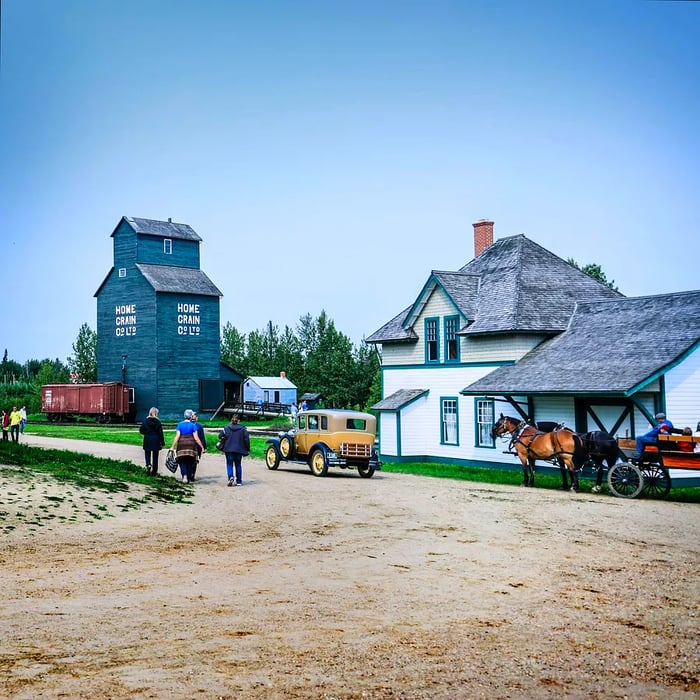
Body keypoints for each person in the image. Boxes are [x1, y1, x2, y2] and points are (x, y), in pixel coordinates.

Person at [170, 409, 205, 484]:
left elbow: (177, 436)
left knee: (182, 461)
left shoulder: (180, 424)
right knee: (190, 461)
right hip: (191, 446)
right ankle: (189, 476)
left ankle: (184, 476)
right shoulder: (193, 425)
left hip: (181, 445)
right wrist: (202, 447)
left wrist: (172, 446)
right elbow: (196, 438)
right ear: (191, 417)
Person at [218, 414, 250, 487]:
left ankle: (230, 477)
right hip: (239, 449)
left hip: (228, 449)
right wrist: (247, 448)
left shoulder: (226, 427)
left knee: (229, 464)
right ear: (239, 420)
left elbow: (220, 436)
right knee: (238, 464)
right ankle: (239, 481)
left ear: (231, 420)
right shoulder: (243, 429)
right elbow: (246, 440)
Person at [139, 407, 165, 476]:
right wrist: (162, 442)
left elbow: (141, 430)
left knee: (147, 453)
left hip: (147, 439)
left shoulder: (146, 421)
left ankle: (148, 464)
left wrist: (146, 433)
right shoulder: (158, 422)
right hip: (156, 439)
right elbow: (160, 433)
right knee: (155, 456)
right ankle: (154, 471)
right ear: (156, 413)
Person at [191, 412, 207, 481]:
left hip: (188, 445)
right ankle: (192, 474)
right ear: (196, 418)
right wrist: (204, 447)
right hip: (196, 446)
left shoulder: (187, 425)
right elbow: (202, 438)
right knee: (194, 460)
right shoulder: (199, 426)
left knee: (188, 460)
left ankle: (188, 474)